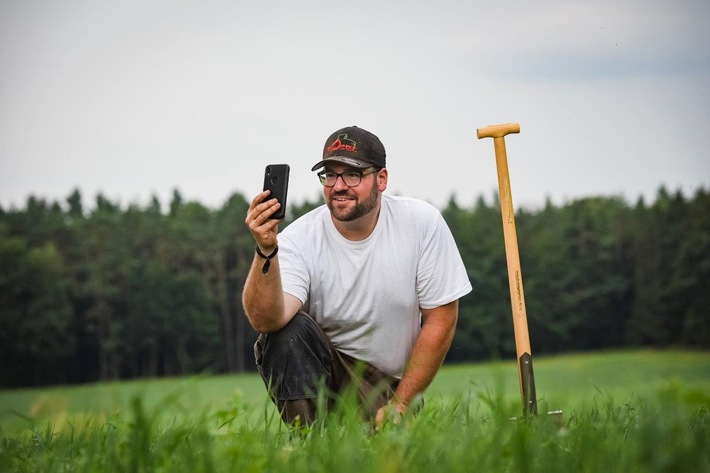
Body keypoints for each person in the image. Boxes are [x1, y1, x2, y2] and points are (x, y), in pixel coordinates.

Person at [242, 125, 472, 427]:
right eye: (330, 175)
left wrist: (400, 406)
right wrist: (266, 249)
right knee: (288, 331)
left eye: (352, 174)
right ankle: (309, 445)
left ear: (382, 179)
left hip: (386, 388)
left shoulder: (421, 224)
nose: (338, 186)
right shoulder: (299, 237)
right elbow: (266, 321)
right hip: (325, 377)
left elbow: (441, 318)